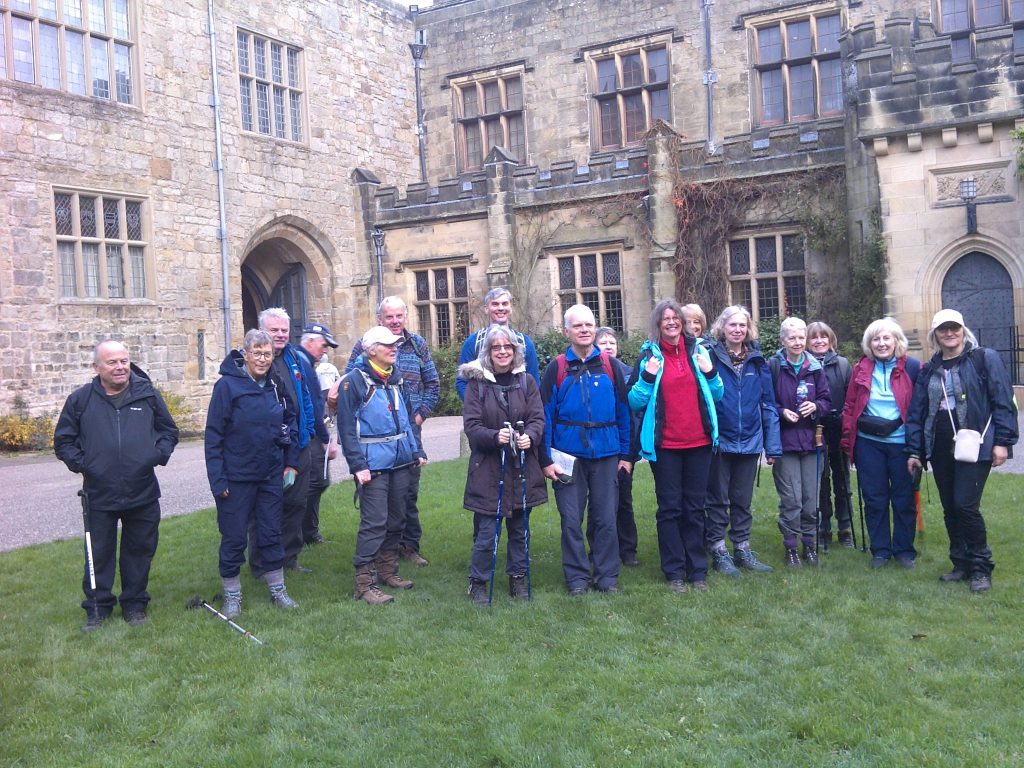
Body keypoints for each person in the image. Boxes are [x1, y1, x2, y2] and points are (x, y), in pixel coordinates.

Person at [54, 340, 179, 632]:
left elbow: (168, 430)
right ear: (97, 367)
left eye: (124, 360)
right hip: (99, 493)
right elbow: (63, 440)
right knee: (98, 553)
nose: (120, 367)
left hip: (143, 490)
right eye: (112, 362)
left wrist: (157, 454)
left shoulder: (147, 395)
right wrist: (85, 465)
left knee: (139, 551)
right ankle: (97, 609)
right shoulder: (81, 400)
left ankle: (135, 606)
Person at [906, 309, 1018, 593]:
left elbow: (1002, 400)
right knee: (950, 509)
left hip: (975, 442)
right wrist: (915, 451)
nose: (949, 333)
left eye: (954, 328)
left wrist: (1003, 441)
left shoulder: (984, 358)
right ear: (935, 335)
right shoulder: (929, 368)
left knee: (965, 506)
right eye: (943, 329)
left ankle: (981, 567)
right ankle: (961, 563)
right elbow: (918, 413)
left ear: (962, 330)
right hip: (940, 444)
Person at [628, 299, 723, 593]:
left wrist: (709, 372)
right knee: (669, 508)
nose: (671, 322)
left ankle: (697, 571)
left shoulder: (700, 352)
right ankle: (674, 572)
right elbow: (634, 401)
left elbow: (717, 394)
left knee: (694, 509)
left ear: (682, 322)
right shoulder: (648, 357)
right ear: (658, 324)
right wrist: (647, 376)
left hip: (699, 443)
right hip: (666, 446)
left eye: (675, 318)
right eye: (665, 319)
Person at [204, 329, 300, 617]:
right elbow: (213, 436)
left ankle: (278, 591)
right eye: (256, 353)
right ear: (244, 355)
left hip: (269, 474)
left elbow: (290, 420)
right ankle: (232, 596)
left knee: (271, 533)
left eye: (267, 354)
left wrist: (290, 461)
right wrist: (218, 480)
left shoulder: (275, 384)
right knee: (234, 537)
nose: (262, 358)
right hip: (235, 478)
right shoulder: (227, 387)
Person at [541, 304, 632, 595]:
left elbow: (624, 412)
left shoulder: (611, 366)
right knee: (571, 519)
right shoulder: (556, 368)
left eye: (589, 325)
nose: (584, 330)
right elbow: (544, 416)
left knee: (605, 519)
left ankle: (607, 577)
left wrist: (627, 456)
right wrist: (545, 459)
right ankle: (577, 578)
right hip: (567, 458)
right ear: (567, 331)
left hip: (607, 454)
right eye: (577, 326)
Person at [346, 296, 440, 566]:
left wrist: (420, 416)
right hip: (375, 435)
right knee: (377, 495)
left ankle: (408, 547)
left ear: (406, 317)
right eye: (390, 317)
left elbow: (432, 383)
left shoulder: (417, 344)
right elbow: (351, 382)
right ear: (380, 319)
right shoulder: (366, 346)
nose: (396, 321)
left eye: (400, 316)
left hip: (409, 430)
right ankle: (375, 552)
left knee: (407, 492)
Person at [337, 326, 427, 604]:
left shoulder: (396, 378)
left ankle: (388, 571)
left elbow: (407, 419)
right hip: (372, 465)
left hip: (401, 461)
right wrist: (357, 465)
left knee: (397, 518)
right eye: (387, 345)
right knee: (374, 522)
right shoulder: (354, 382)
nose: (394, 348)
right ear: (371, 349)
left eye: (395, 344)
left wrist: (417, 450)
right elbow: (346, 429)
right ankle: (364, 584)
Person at [459, 325, 548, 604]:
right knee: (486, 532)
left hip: (522, 468)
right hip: (487, 469)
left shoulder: (527, 382)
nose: (502, 351)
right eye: (496, 347)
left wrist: (530, 438)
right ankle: (479, 582)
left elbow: (538, 419)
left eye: (507, 347)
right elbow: (472, 427)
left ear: (515, 351)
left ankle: (518, 578)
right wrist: (494, 436)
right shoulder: (477, 385)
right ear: (488, 352)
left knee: (520, 530)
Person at [838, 318, 920, 570]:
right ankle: (881, 550)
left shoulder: (914, 368)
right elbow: (850, 406)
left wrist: (918, 446)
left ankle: (904, 551)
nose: (881, 343)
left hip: (901, 444)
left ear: (896, 341)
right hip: (868, 444)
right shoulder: (860, 369)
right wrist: (846, 438)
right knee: (874, 498)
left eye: (886, 338)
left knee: (904, 499)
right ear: (869, 344)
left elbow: (920, 408)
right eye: (876, 339)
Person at [704, 306, 780, 576]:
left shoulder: (758, 361)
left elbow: (768, 404)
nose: (737, 329)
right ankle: (718, 550)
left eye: (742, 325)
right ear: (722, 327)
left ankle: (742, 548)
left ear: (748, 329)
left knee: (742, 500)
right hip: (719, 441)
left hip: (749, 441)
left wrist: (772, 446)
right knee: (717, 500)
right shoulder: (708, 356)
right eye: (732, 325)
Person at [252, 307, 318, 577]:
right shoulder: (252, 361)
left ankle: (289, 559)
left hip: (298, 444)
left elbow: (305, 397)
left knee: (296, 504)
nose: (279, 335)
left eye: (284, 330)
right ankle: (261, 564)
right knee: (265, 508)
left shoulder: (293, 357)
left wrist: (309, 431)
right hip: (269, 449)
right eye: (274, 330)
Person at [769, 317, 831, 568]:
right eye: (792, 338)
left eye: (801, 337)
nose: (797, 342)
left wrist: (815, 406)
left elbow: (827, 401)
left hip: (812, 442)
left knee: (810, 500)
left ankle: (809, 543)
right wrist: (782, 411)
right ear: (783, 340)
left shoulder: (815, 368)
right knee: (791, 499)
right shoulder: (773, 366)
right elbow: (766, 402)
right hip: (785, 443)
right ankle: (791, 547)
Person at [586, 326, 641, 567]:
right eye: (603, 342)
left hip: (623, 448)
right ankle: (598, 548)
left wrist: (629, 454)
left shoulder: (629, 375)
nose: (608, 346)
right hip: (597, 450)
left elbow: (631, 416)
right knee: (598, 502)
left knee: (624, 500)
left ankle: (627, 549)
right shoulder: (589, 372)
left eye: (612, 342)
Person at [807, 321, 854, 550]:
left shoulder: (843, 365)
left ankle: (845, 527)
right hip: (814, 430)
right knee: (821, 479)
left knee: (842, 479)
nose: (819, 341)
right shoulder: (804, 364)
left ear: (830, 339)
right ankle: (823, 526)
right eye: (814, 337)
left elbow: (851, 397)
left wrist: (844, 420)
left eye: (823, 337)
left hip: (838, 428)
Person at [297, 323, 339, 547]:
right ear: (309, 342)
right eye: (323, 345)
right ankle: (305, 534)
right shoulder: (302, 363)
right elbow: (313, 406)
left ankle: (308, 533)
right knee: (315, 482)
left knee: (315, 482)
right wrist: (325, 439)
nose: (325, 351)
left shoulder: (304, 362)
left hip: (310, 431)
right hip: (310, 433)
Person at [457, 287, 540, 400]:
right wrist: (476, 406)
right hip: (483, 414)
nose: (500, 308)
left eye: (504, 303)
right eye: (495, 304)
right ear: (486, 309)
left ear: (510, 307)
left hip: (519, 414)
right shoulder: (473, 343)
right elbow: (462, 382)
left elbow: (534, 383)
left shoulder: (525, 343)